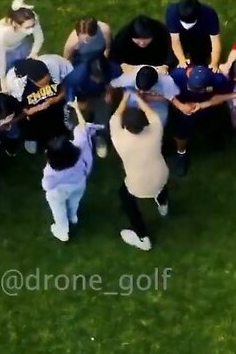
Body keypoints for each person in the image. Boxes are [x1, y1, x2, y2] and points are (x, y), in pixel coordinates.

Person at [109, 91, 170, 251]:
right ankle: (163, 205)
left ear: (126, 126)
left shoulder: (119, 138)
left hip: (139, 185)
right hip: (161, 175)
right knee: (159, 182)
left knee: (125, 197)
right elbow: (152, 114)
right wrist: (138, 98)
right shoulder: (156, 130)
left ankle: (143, 237)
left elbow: (115, 116)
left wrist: (125, 97)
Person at [41, 100, 105, 242]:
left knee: (58, 210)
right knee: (74, 201)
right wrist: (76, 108)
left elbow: (47, 186)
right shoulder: (80, 148)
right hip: (79, 183)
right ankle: (73, 216)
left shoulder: (51, 171)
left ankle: (62, 231)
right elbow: (83, 128)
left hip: (59, 192)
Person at [167, 64, 236, 177]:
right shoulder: (177, 74)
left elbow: (223, 97)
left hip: (209, 106)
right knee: (181, 131)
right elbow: (167, 93)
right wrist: (181, 106)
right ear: (189, 73)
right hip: (185, 108)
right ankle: (181, 153)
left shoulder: (218, 79)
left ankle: (215, 136)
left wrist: (203, 105)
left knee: (217, 119)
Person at [4, 57, 69, 155]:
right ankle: (36, 139)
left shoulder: (54, 67)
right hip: (34, 115)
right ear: (31, 80)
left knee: (58, 120)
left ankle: (59, 134)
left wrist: (57, 98)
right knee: (34, 125)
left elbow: (65, 87)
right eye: (42, 85)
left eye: (48, 83)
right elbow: (23, 109)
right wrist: (36, 109)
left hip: (55, 108)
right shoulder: (17, 85)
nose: (47, 87)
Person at [62, 54, 120, 157]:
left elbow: (115, 82)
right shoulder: (75, 76)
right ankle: (80, 143)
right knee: (77, 124)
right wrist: (79, 104)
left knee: (103, 119)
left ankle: (100, 138)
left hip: (100, 95)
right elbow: (70, 98)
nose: (98, 80)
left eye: (101, 77)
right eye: (95, 77)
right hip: (80, 99)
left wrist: (110, 92)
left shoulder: (114, 69)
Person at [0, 0, 45, 80]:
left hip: (21, 45)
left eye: (33, 25)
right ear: (15, 24)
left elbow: (39, 37)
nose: (31, 30)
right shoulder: (3, 33)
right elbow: (0, 58)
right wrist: (2, 78)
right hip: (2, 51)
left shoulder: (32, 19)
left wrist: (34, 52)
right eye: (27, 27)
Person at [109, 64, 180, 128]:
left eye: (144, 90)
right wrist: (108, 94)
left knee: (159, 122)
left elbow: (172, 98)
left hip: (157, 101)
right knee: (127, 118)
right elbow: (112, 85)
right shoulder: (129, 77)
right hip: (134, 96)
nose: (142, 92)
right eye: (139, 88)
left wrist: (152, 97)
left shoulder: (166, 82)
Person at [165, 0, 222, 71]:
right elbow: (175, 40)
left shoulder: (209, 14)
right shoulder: (171, 13)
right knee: (172, 55)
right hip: (181, 35)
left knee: (200, 59)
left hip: (201, 35)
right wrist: (182, 60)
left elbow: (215, 41)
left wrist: (214, 63)